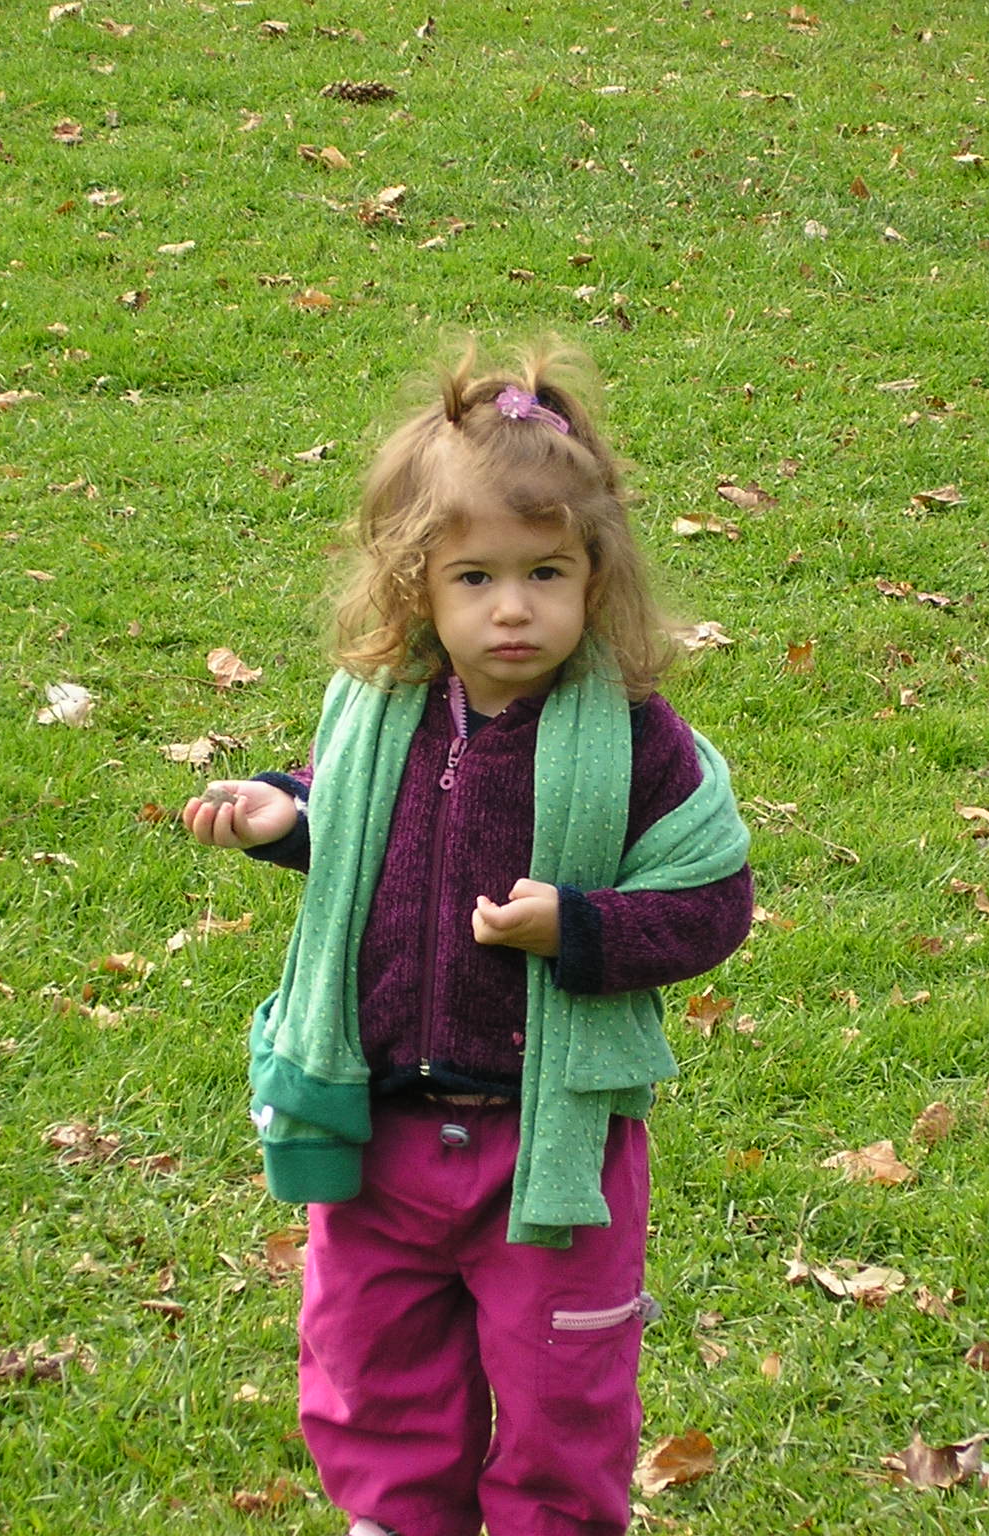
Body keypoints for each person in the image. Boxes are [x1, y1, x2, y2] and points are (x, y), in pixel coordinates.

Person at [181, 343, 754, 1536]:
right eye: (474, 577)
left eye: (545, 572)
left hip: (549, 1149)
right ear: (415, 589)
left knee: (559, 1392)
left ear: (596, 575)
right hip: (382, 1129)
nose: (511, 608)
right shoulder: (382, 711)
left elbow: (710, 900)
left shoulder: (636, 741)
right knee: (373, 1365)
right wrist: (289, 817)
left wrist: (579, 926)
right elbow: (364, 836)